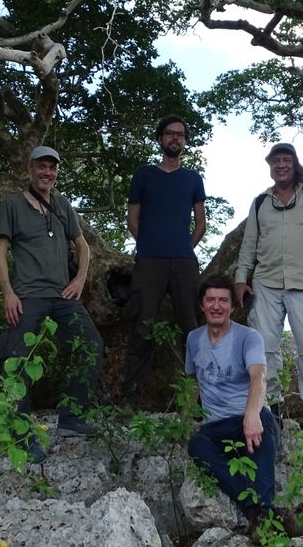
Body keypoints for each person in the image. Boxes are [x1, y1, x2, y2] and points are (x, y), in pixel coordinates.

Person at [0, 145, 103, 462]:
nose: (47, 173)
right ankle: (20, 435)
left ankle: (72, 418)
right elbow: (0, 249)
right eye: (42, 166)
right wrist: (7, 292)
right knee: (17, 361)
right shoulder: (13, 204)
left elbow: (83, 247)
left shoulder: (63, 205)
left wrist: (80, 279)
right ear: (30, 168)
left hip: (61, 296)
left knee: (90, 344)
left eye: (52, 168)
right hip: (26, 295)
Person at [234, 142, 303, 425]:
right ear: (270, 167)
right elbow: (248, 246)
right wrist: (240, 280)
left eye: (286, 160)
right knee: (263, 347)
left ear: (295, 165)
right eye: (275, 161)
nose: (280, 165)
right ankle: (270, 409)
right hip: (266, 284)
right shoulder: (260, 202)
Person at [186, 275, 295, 533]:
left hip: (251, 418)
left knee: (264, 426)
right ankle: (260, 513)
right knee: (197, 444)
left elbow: (259, 376)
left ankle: (262, 518)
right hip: (216, 426)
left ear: (233, 306)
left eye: (223, 300)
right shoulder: (193, 339)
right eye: (210, 299)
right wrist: (186, 420)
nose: (216, 306)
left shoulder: (248, 337)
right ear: (202, 305)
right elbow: (191, 381)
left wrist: (252, 416)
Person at [122, 115, 207, 407]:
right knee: (143, 326)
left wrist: (183, 246)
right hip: (149, 260)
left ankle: (200, 398)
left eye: (180, 135)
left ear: (185, 141)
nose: (175, 139)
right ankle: (131, 396)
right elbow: (132, 220)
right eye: (170, 134)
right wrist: (149, 244)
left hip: (184, 262)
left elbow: (201, 223)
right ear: (160, 139)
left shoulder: (193, 178)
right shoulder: (143, 175)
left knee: (192, 327)